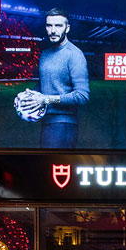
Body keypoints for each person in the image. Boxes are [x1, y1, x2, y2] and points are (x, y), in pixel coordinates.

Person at [15, 8, 90, 149]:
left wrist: (45, 99)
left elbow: (82, 96)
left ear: (67, 28)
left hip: (64, 125)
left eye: (58, 26)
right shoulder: (45, 54)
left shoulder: (75, 55)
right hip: (47, 122)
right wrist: (29, 96)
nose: (53, 30)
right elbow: (43, 84)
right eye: (49, 25)